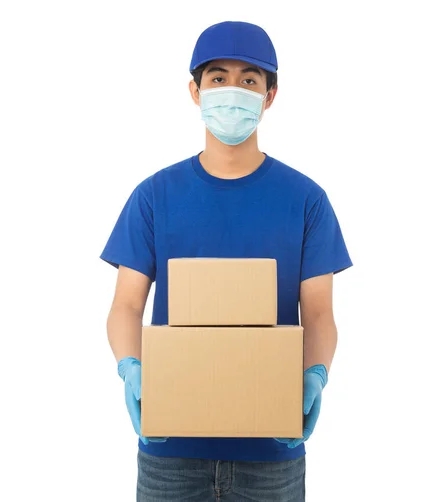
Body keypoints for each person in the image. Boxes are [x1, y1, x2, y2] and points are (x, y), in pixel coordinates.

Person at [100, 20, 353, 502]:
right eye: (218, 78)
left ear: (270, 95)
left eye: (249, 80)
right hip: (170, 451)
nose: (232, 91)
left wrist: (315, 375)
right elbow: (127, 305)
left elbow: (319, 312)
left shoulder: (306, 200)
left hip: (271, 453)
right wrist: (131, 367)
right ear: (195, 91)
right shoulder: (154, 197)